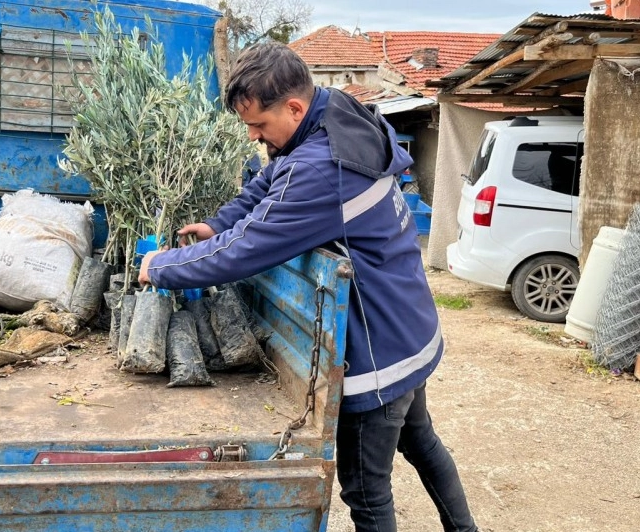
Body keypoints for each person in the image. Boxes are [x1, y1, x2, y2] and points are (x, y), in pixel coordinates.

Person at [139, 42, 477, 532]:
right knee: (421, 441)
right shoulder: (338, 114)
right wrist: (219, 223)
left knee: (366, 489)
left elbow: (245, 250)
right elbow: (269, 181)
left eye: (259, 125)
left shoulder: (322, 169)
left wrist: (163, 266)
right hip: (411, 325)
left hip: (378, 350)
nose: (255, 137)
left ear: (294, 107)